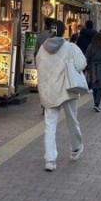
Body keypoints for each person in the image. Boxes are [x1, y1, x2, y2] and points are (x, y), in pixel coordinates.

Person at [35, 19, 86, 172]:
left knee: (49, 126)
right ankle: (76, 148)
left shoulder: (42, 50)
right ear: (63, 31)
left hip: (49, 91)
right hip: (67, 89)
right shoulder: (70, 47)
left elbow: (39, 68)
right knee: (72, 120)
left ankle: (50, 160)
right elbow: (82, 63)